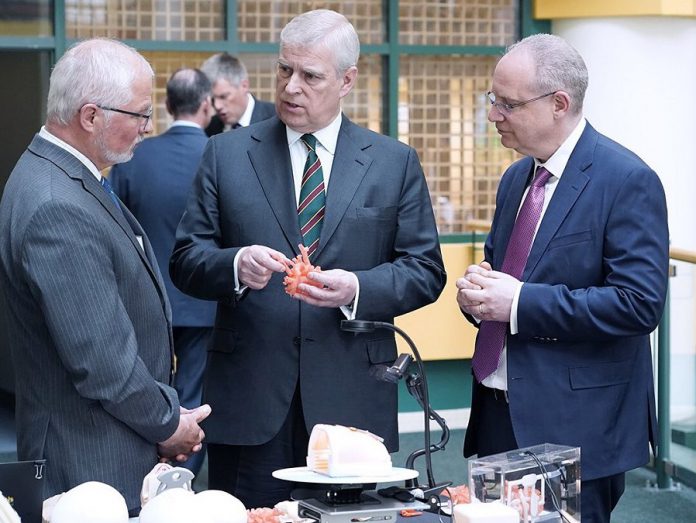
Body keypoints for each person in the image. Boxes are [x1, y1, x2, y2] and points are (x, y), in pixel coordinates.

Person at [170, 9, 446, 509]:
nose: (291, 87)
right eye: (284, 70)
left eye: (310, 76)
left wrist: (358, 289)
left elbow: (425, 270)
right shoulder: (225, 155)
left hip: (352, 405)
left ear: (346, 81)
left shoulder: (393, 162)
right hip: (250, 399)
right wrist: (235, 265)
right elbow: (186, 258)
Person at [455, 34, 669, 523]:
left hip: (575, 427)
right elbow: (505, 280)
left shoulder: (627, 179)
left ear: (559, 104)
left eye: (507, 104)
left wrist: (520, 303)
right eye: (493, 100)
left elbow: (639, 305)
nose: (494, 115)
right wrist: (478, 297)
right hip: (497, 411)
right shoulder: (516, 179)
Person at [0, 39, 210, 516]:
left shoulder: (62, 175)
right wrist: (168, 424)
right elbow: (102, 362)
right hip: (89, 460)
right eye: (139, 114)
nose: (148, 127)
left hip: (99, 443)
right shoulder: (57, 203)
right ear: (90, 116)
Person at [109, 68, 217, 476]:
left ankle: (145, 478)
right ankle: (181, 478)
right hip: (205, 302)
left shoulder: (135, 157)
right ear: (206, 104)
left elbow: (113, 226)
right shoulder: (219, 156)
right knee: (193, 394)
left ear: (167, 106)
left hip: (145, 301)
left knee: (147, 390)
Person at [201, 52, 276, 136]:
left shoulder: (276, 119)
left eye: (223, 97)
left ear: (244, 86)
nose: (217, 106)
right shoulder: (209, 129)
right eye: (212, 99)